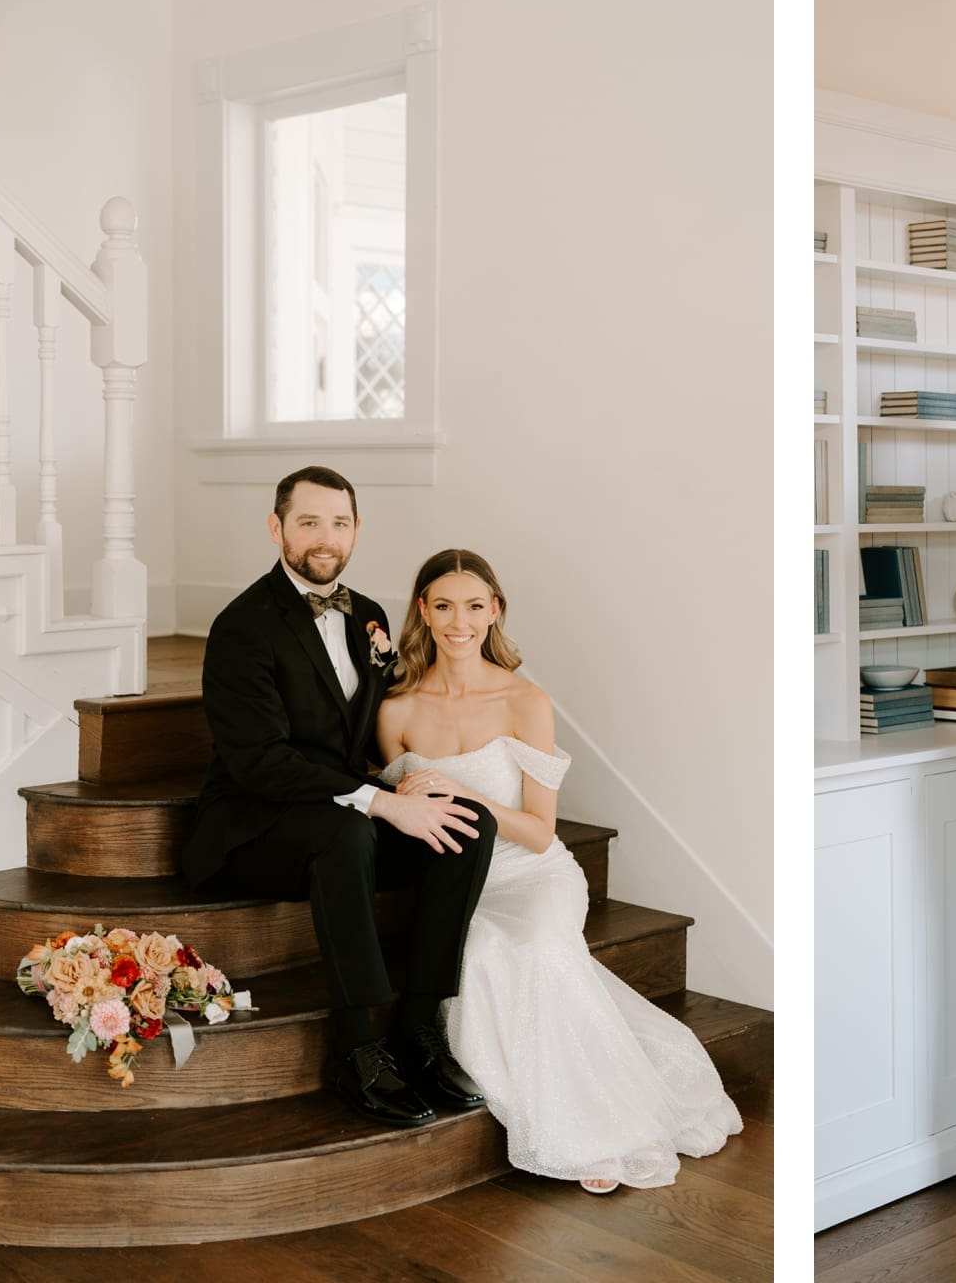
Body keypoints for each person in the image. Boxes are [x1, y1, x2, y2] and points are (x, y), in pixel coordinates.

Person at [375, 549, 743, 1194]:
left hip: (533, 873)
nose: (459, 621)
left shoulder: (525, 701)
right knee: (485, 948)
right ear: (422, 613)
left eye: (474, 605)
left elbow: (540, 830)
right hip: (459, 884)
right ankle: (557, 1115)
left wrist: (472, 801)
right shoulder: (397, 710)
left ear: (495, 612)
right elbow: (403, 817)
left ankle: (604, 1123)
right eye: (443, 606)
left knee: (541, 948)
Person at [185, 466, 494, 1130]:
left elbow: (361, 736)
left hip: (339, 805)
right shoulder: (242, 627)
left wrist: (404, 781)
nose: (326, 538)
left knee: (468, 822)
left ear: (357, 530)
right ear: (277, 529)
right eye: (309, 522)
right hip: (254, 826)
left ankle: (417, 1028)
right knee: (347, 832)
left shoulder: (371, 617)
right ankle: (358, 1047)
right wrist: (379, 803)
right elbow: (261, 762)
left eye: (340, 522)